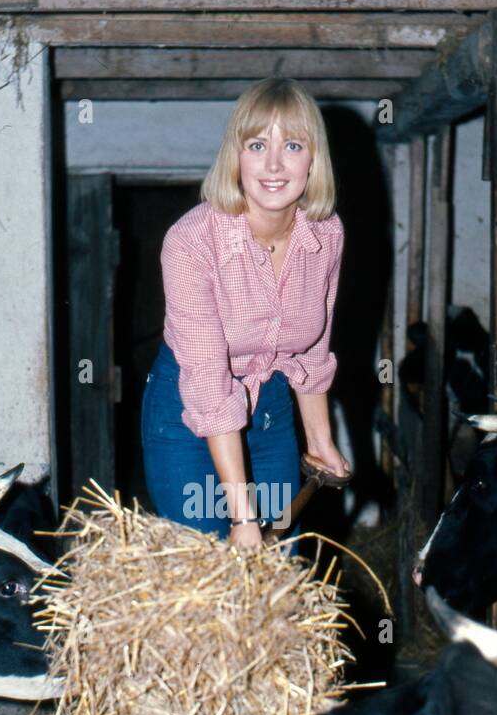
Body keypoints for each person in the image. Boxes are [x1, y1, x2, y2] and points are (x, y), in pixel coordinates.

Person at [140, 78, 351, 554]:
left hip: (271, 412)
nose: (274, 164)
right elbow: (210, 387)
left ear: (313, 160)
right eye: (257, 145)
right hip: (189, 413)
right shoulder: (192, 242)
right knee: (206, 560)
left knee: (278, 563)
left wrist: (321, 442)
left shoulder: (326, 234)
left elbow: (313, 354)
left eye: (292, 145)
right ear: (236, 156)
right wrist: (242, 516)